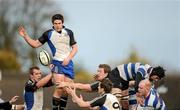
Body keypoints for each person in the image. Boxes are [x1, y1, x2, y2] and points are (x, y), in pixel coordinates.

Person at [18, 13, 78, 110]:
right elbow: (35, 44)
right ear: (53, 24)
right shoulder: (48, 34)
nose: (58, 25)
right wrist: (25, 36)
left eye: (59, 23)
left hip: (68, 63)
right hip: (57, 62)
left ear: (63, 23)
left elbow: (75, 48)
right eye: (55, 23)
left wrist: (69, 58)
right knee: (59, 87)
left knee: (67, 89)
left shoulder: (69, 32)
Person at [57, 63, 165, 110]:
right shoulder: (144, 69)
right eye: (97, 71)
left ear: (105, 73)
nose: (97, 73)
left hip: (124, 82)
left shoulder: (107, 83)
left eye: (99, 71)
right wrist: (67, 84)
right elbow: (84, 87)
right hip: (121, 79)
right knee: (118, 100)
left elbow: (136, 84)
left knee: (125, 103)